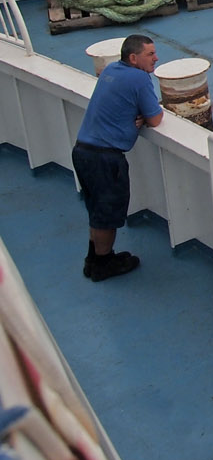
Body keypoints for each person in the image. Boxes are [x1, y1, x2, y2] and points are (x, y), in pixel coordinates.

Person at [73, 34, 163, 281]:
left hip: (83, 151)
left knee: (96, 210)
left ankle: (94, 259)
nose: (156, 58)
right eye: (150, 54)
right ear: (133, 58)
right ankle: (103, 265)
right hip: (105, 158)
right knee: (107, 214)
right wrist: (145, 117)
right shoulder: (139, 78)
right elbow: (155, 118)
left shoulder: (111, 69)